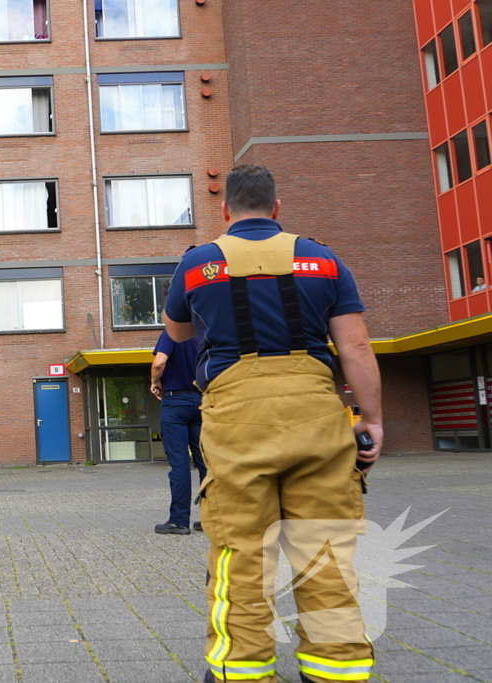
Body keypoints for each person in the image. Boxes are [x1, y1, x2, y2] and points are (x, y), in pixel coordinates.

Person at [164, 165, 382, 683]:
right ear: (277, 208)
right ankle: (337, 669)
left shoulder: (198, 264)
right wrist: (370, 418)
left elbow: (177, 330)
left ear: (226, 210)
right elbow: (354, 346)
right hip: (316, 414)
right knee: (326, 549)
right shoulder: (323, 259)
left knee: (240, 552)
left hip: (237, 417)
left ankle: (243, 670)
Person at [151, 327, 208, 535]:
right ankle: (210, 519)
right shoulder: (204, 334)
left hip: (175, 403)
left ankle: (179, 520)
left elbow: (159, 363)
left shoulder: (173, 332)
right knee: (206, 463)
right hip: (202, 401)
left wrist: (155, 382)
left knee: (180, 463)